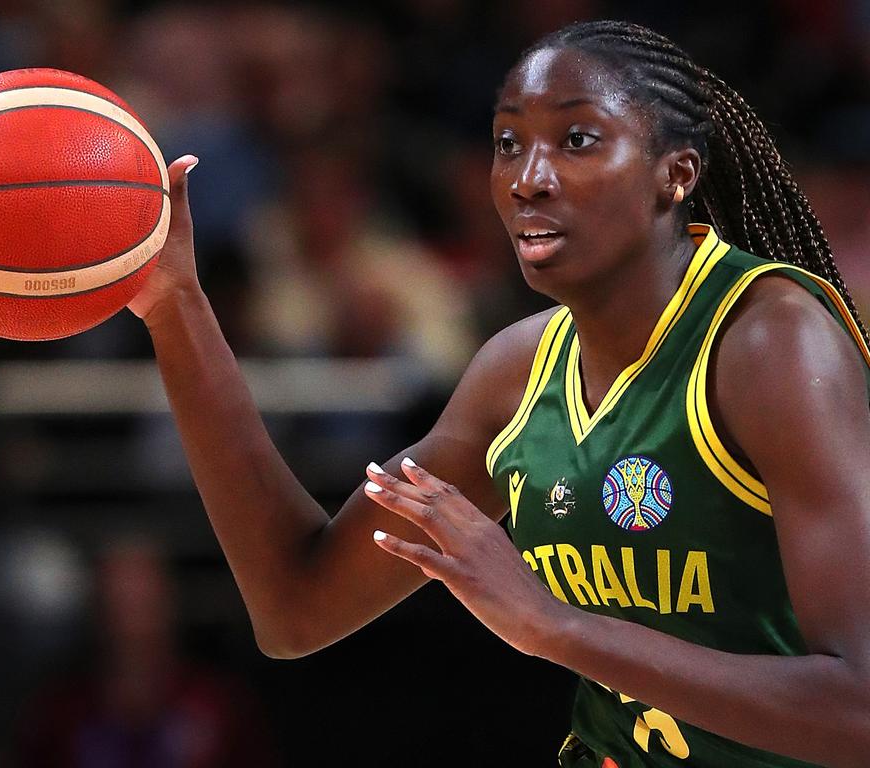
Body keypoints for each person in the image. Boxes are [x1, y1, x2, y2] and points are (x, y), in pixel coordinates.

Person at [127, 20, 870, 768]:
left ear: (673, 175)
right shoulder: (517, 374)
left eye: (577, 140)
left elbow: (861, 710)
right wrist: (174, 306)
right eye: (509, 143)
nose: (528, 177)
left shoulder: (770, 346)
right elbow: (297, 606)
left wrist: (555, 626)